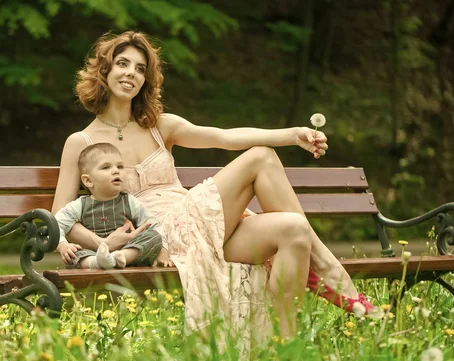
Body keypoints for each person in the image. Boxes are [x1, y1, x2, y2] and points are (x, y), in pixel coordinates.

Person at [52, 31, 375, 343]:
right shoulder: (81, 142)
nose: (131, 74)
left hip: (198, 227)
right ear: (104, 70)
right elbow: (59, 220)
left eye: (140, 69)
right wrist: (103, 242)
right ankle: (334, 277)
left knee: (293, 229)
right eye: (123, 64)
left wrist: (293, 135)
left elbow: (226, 137)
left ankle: (285, 348)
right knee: (261, 157)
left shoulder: (160, 126)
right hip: (159, 237)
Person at [55, 142, 172, 269]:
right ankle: (98, 262)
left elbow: (153, 225)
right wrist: (63, 245)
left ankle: (120, 257)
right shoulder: (79, 206)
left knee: (153, 236)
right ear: (88, 180)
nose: (116, 171)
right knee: (74, 253)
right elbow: (56, 224)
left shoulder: (131, 202)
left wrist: (163, 251)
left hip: (127, 251)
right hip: (92, 254)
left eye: (120, 167)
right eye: (106, 167)